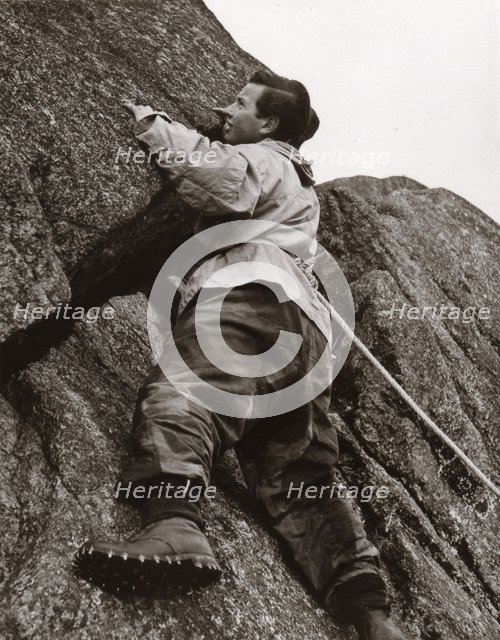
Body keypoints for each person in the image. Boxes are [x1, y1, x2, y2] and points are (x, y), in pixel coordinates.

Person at [75, 70, 404, 640]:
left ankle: (174, 523)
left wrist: (150, 121)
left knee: (186, 390)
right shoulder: (301, 192)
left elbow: (218, 174)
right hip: (306, 337)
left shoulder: (269, 160)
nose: (225, 111)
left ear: (270, 124)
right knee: (301, 469)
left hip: (252, 298)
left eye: (239, 103)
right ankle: (369, 613)